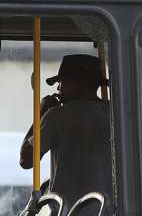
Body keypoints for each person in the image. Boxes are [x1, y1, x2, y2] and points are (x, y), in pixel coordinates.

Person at [19, 54, 111, 208]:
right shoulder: (113, 113)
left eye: (62, 82)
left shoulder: (57, 116)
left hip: (67, 215)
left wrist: (41, 112)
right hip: (107, 212)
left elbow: (26, 160)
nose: (58, 88)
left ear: (79, 83)